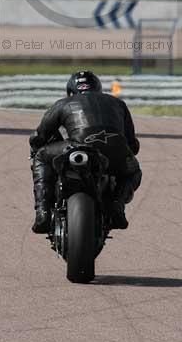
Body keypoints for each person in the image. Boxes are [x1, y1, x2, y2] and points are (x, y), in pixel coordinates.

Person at [29, 70, 142, 234]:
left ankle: (43, 213)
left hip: (77, 147)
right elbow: (133, 145)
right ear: (98, 88)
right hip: (115, 150)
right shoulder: (118, 103)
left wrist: (35, 146)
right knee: (133, 171)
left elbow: (39, 137)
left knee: (41, 156)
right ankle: (117, 204)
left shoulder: (62, 103)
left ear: (70, 91)